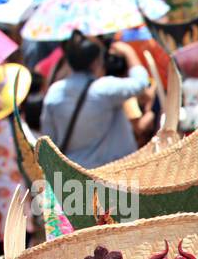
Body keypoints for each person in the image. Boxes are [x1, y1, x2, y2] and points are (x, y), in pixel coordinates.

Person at [39, 33, 153, 169]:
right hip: (112, 173)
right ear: (96, 61)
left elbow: (49, 139)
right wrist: (128, 52)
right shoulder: (104, 89)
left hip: (74, 175)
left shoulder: (54, 92)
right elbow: (140, 83)